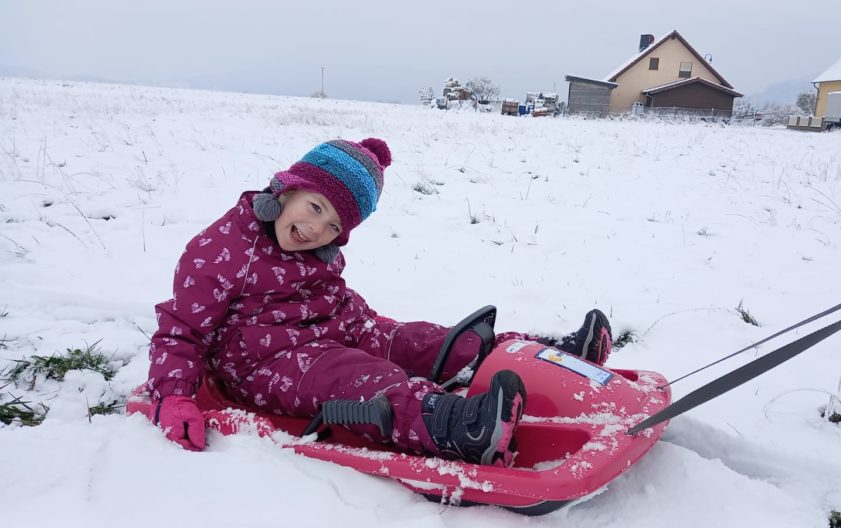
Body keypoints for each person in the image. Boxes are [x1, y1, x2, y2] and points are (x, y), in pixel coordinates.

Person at [146, 138, 613, 466]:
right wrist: (173, 397)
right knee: (363, 378)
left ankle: (548, 357)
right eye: (314, 207)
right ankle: (458, 426)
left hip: (336, 326)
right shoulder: (221, 248)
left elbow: (329, 298)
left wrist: (374, 328)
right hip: (268, 363)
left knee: (419, 341)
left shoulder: (315, 250)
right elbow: (180, 329)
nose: (315, 230)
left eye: (332, 226)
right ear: (287, 189)